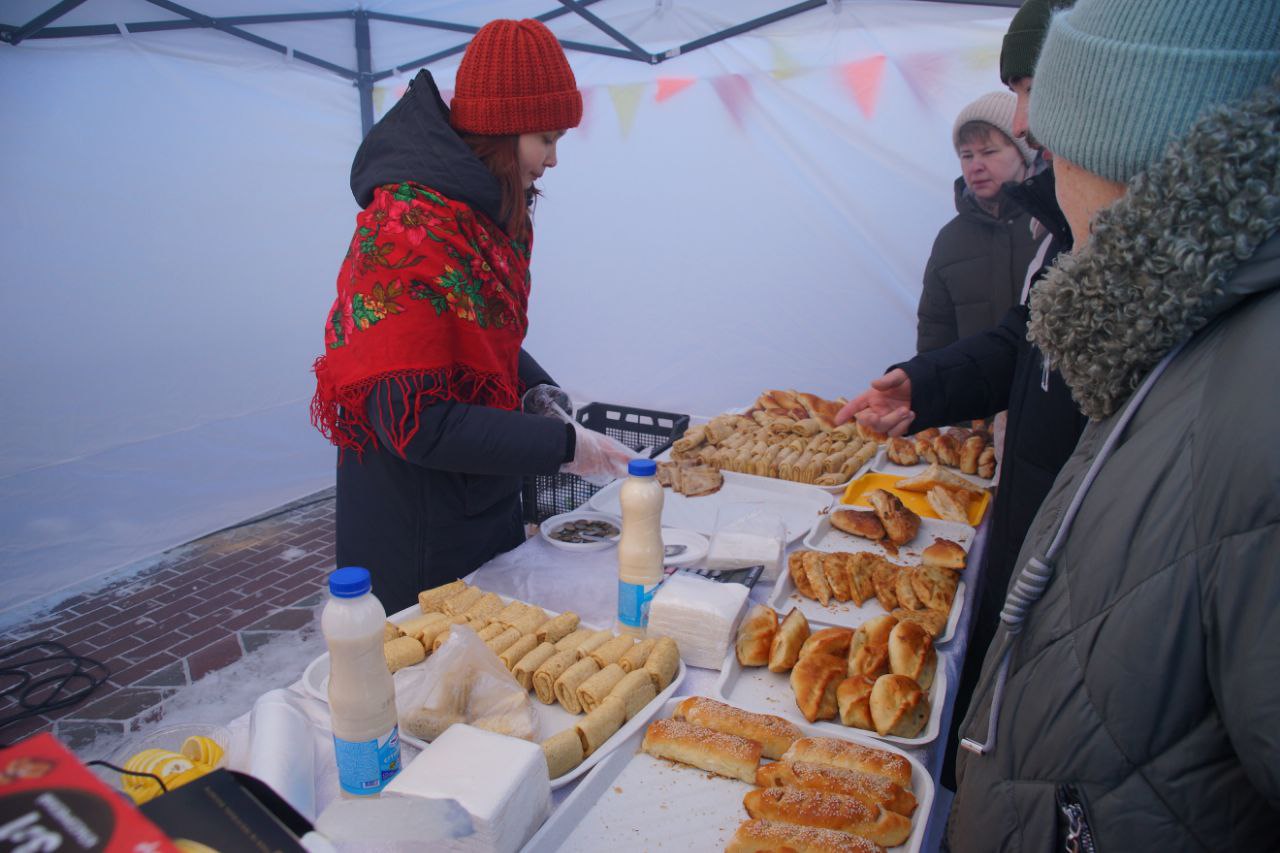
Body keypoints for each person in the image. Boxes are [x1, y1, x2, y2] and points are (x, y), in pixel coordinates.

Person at [948, 0, 1280, 848]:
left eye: (1057, 144)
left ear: (1128, 150)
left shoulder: (1253, 387)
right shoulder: (1160, 329)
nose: (1041, 161)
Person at [838, 0, 1083, 791]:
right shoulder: (1057, 228)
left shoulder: (1063, 221)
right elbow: (1019, 336)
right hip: (1015, 509)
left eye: (1029, 91)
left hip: (1063, 564)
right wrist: (925, 381)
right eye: (1013, 95)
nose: (1018, 121)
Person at [311, 19, 633, 612]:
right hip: (415, 529)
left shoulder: (480, 215)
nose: (554, 160)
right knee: (434, 684)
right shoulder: (410, 232)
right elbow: (417, 422)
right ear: (499, 132)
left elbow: (479, 337)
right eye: (546, 138)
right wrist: (562, 445)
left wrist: (538, 390)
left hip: (478, 496)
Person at [916, 91, 1039, 353]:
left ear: (1022, 153)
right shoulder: (950, 241)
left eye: (989, 152)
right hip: (978, 394)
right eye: (967, 155)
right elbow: (934, 336)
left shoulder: (1051, 225)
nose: (976, 166)